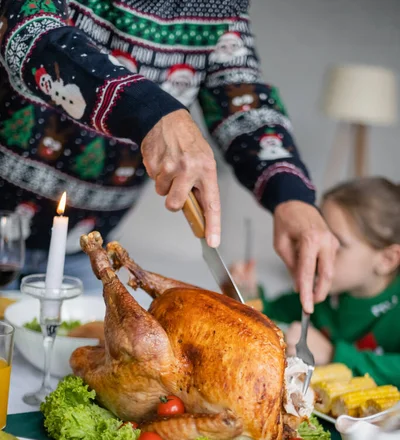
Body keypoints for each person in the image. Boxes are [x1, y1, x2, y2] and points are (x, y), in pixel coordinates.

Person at [0, 0, 337, 308]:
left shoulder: (221, 9)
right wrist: (151, 111)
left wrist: (291, 196)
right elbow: (31, 33)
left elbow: (242, 100)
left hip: (82, 255)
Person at [231, 177, 400, 386]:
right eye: (320, 235)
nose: (318, 250)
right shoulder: (321, 291)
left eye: (337, 244)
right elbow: (273, 315)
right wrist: (250, 294)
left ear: (387, 259)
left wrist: (332, 354)